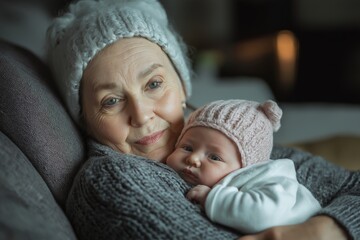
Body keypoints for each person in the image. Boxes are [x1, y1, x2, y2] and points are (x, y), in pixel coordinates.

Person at [46, 0, 359, 239]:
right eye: (111, 101)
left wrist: (325, 229)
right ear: (85, 119)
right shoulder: (111, 182)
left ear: (182, 84)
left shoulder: (224, 132)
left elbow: (354, 187)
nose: (141, 115)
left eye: (153, 84)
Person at [166, 99, 321, 234]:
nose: (193, 159)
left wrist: (211, 198)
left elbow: (263, 216)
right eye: (187, 147)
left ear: (246, 168)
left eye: (214, 157)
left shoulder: (272, 183)